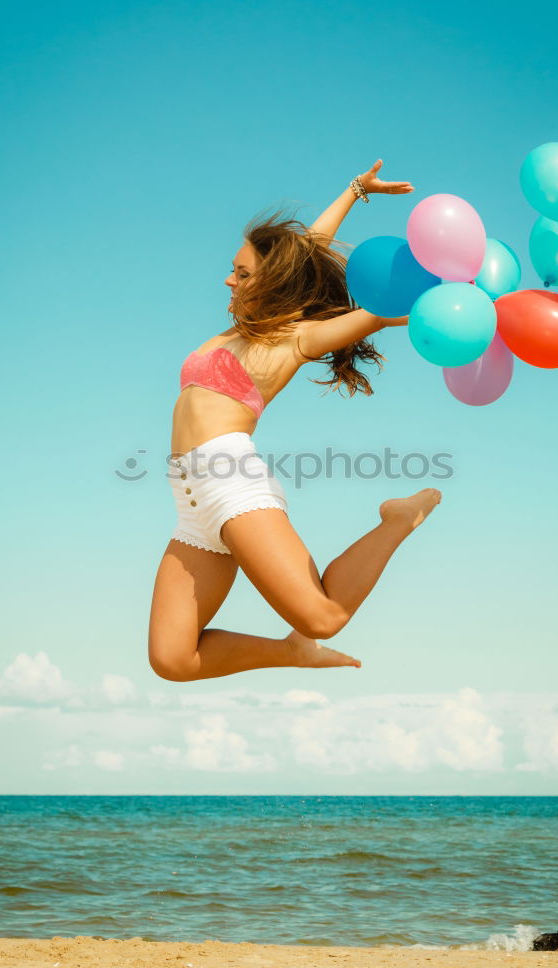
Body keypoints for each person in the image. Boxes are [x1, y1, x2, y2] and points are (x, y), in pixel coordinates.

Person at [148, 160, 442, 682]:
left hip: (229, 482)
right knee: (172, 659)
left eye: (241, 273)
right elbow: (306, 249)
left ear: (270, 281)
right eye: (232, 269)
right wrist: (354, 191)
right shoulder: (234, 334)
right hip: (190, 501)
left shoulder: (293, 339)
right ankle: (292, 652)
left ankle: (399, 519)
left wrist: (450, 296)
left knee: (323, 616)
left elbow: (378, 312)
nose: (228, 279)